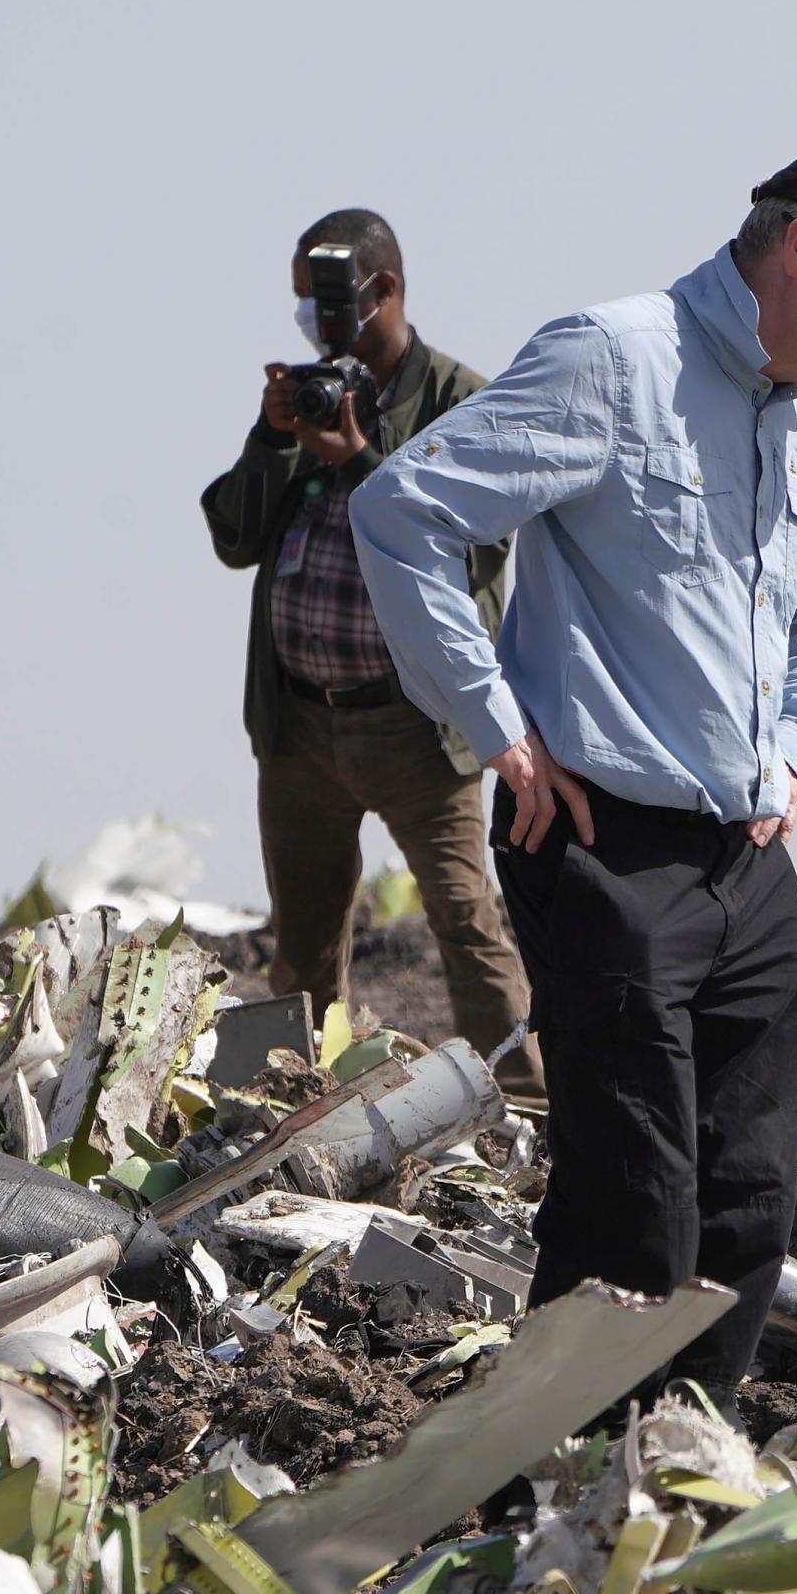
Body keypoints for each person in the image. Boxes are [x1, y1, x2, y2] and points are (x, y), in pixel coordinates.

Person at [351, 148, 797, 1407]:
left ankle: (680, 1471)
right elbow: (404, 511)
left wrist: (794, 759)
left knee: (751, 1202)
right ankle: (567, 1492)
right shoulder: (610, 360)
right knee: (635, 1211)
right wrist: (497, 730)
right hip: (599, 846)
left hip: (747, 860)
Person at [201, 209, 542, 1100]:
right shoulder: (313, 396)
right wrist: (275, 437)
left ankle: (531, 1110)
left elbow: (477, 550)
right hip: (300, 725)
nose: (317, 323)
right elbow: (234, 535)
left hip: (416, 726)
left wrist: (360, 459)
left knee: (467, 925)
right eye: (305, 306)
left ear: (384, 290)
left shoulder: (461, 401)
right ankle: (289, 1112)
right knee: (303, 945)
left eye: (329, 303)